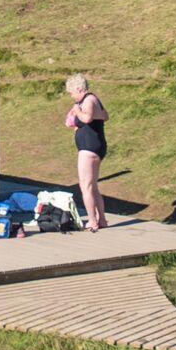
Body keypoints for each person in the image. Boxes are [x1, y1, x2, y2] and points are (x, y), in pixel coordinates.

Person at [65, 74, 108, 232]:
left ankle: (92, 221)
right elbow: (105, 116)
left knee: (86, 187)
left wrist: (77, 111)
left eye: (71, 93)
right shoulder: (93, 100)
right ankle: (102, 219)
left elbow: (88, 118)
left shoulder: (89, 100)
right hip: (94, 146)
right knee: (93, 186)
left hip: (89, 147)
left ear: (78, 89)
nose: (71, 96)